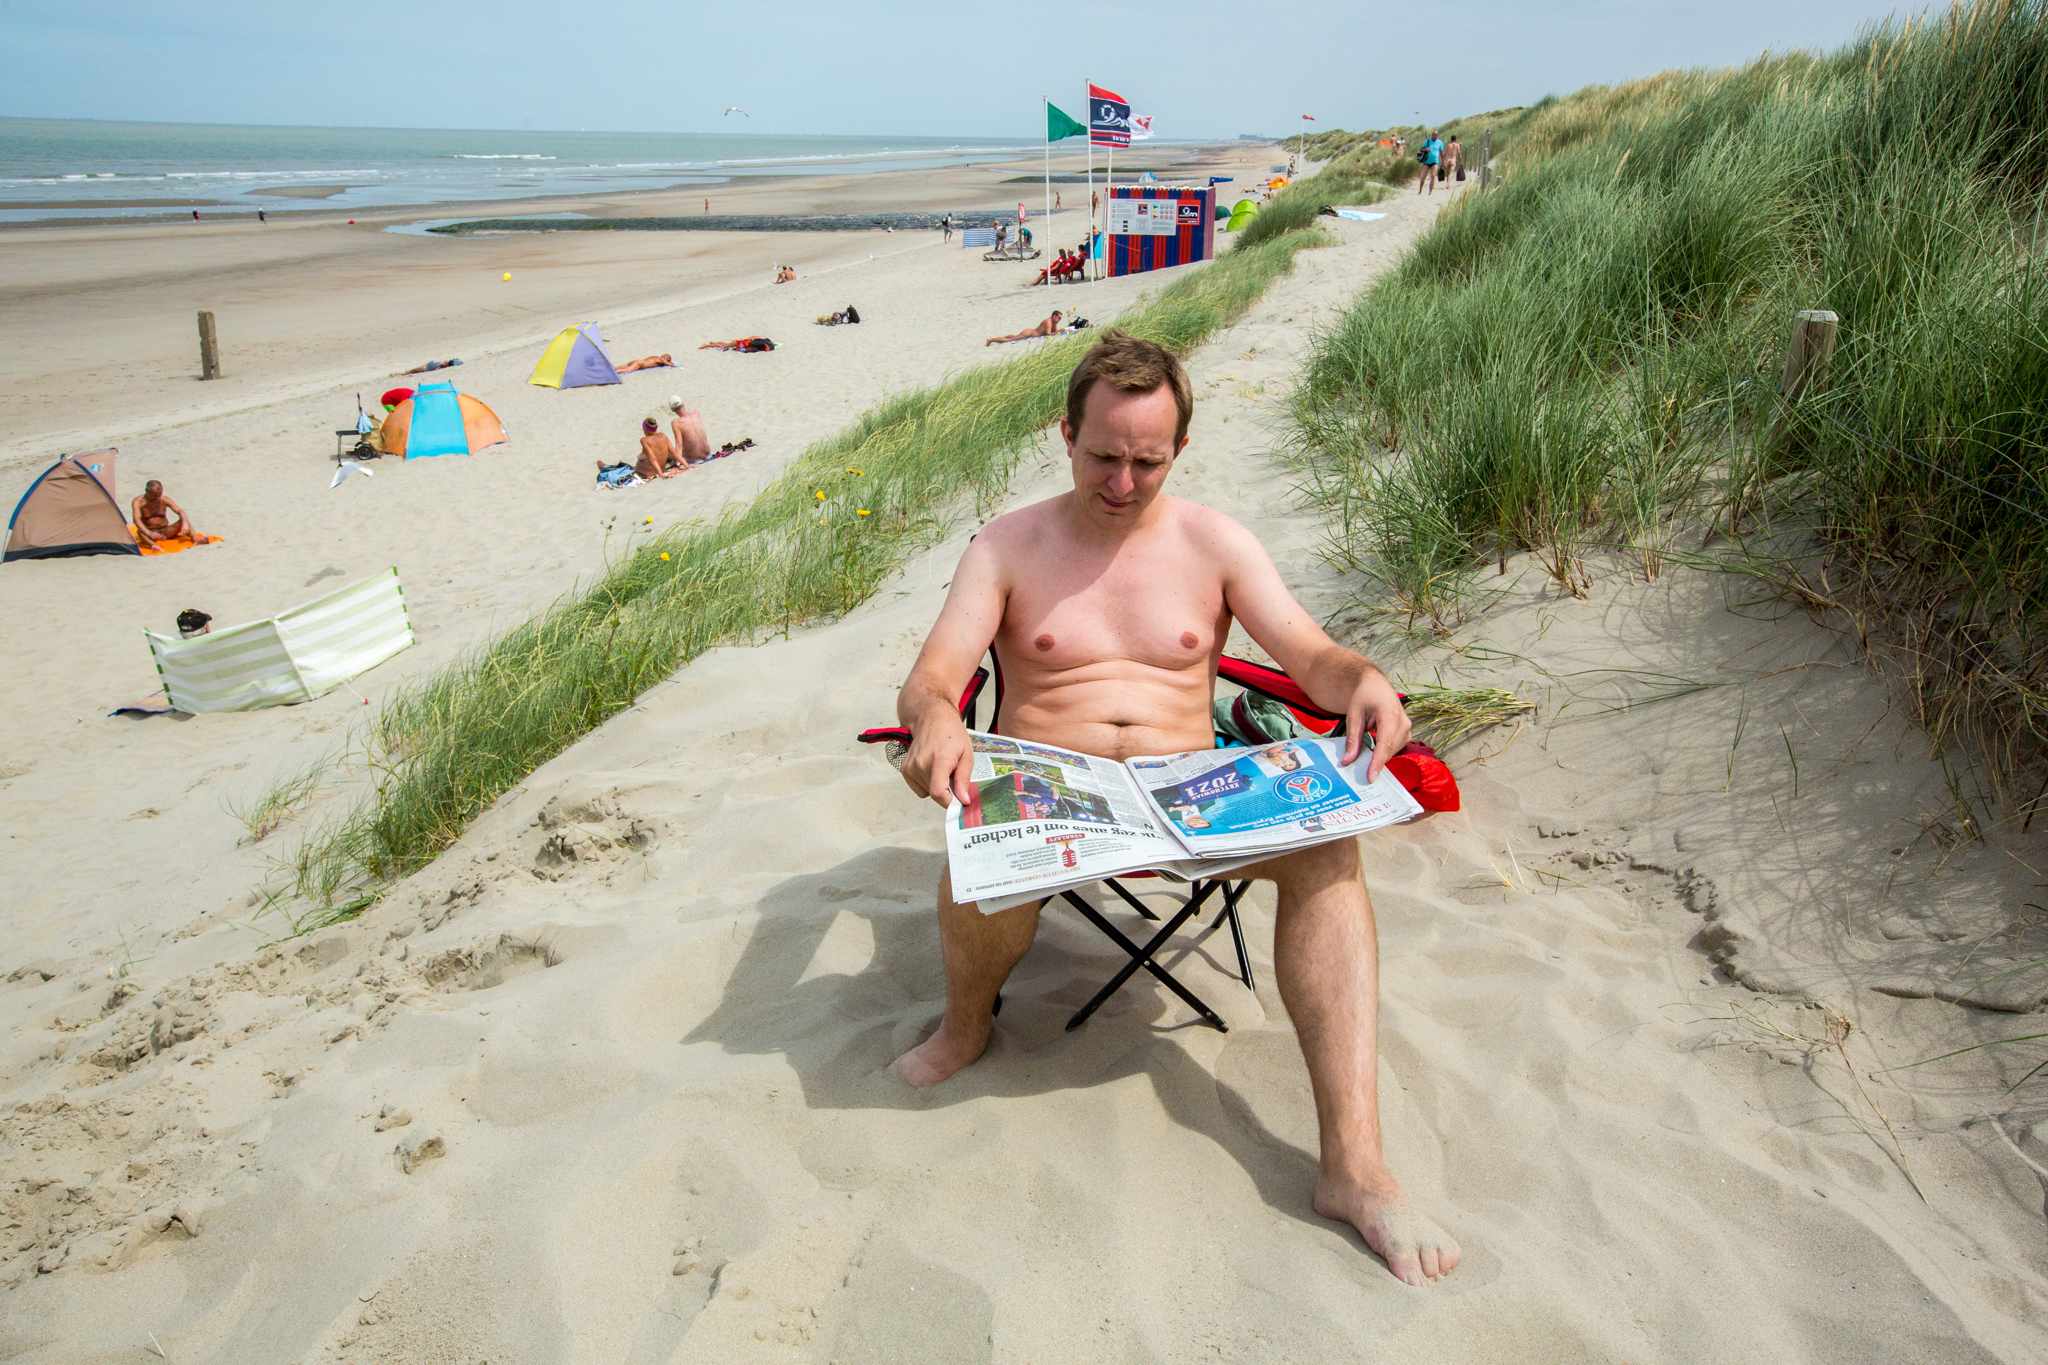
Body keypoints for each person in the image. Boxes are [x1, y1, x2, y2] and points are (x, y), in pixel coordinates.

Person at [889, 330, 1459, 1287]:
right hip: (1053, 796)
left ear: (1178, 452)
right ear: (1064, 434)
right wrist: (937, 720)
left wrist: (1363, 679)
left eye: (1147, 462)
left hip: (1189, 801)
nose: (1121, 481)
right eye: (1103, 456)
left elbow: (1310, 655)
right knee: (974, 854)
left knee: (1330, 855)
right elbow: (934, 676)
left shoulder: (1215, 542)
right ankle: (966, 1025)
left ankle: (1353, 1168)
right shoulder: (1008, 544)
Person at [131, 480, 198, 548]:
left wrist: (185, 524)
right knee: (140, 532)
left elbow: (180, 511)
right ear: (146, 491)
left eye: (159, 495)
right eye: (154, 496)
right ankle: (153, 545)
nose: (157, 498)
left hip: (165, 530)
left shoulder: (164, 499)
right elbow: (136, 519)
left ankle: (195, 539)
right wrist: (149, 533)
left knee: (184, 521)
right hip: (150, 531)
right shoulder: (138, 502)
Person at [667, 395, 711, 464]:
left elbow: (679, 445)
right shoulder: (696, 413)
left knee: (669, 454)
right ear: (683, 403)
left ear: (673, 410)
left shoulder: (676, 423)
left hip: (694, 459)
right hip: (708, 454)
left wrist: (677, 462)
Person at [985, 310, 1062, 346]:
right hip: (1029, 334)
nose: (1059, 320)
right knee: (1009, 340)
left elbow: (1054, 331)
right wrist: (1058, 331)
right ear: (1054, 316)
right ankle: (991, 340)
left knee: (1014, 337)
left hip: (1029, 332)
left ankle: (1002, 337)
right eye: (1058, 318)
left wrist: (1059, 331)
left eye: (1060, 318)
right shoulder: (1048, 322)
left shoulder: (1054, 322)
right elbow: (1049, 334)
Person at [1417, 130, 1444, 196]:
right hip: (1426, 162)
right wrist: (1426, 149)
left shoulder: (1440, 142)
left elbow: (1441, 152)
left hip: (1435, 162)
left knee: (1433, 176)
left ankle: (1430, 192)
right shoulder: (1427, 141)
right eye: (1434, 135)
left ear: (1438, 135)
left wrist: (1443, 162)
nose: (1435, 136)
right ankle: (1420, 190)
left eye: (1436, 135)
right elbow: (1421, 149)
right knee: (1423, 177)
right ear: (1432, 135)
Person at [397, 357, 463, 375]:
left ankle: (404, 373)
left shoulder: (446, 364)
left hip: (428, 367)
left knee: (414, 370)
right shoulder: (446, 363)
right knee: (414, 370)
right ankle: (404, 373)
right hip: (428, 366)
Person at [699, 337, 775, 352]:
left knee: (726, 344)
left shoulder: (761, 342)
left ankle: (712, 343)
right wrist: (738, 349)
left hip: (740, 342)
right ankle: (706, 345)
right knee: (724, 346)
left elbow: (747, 349)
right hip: (740, 343)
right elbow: (746, 349)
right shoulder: (757, 347)